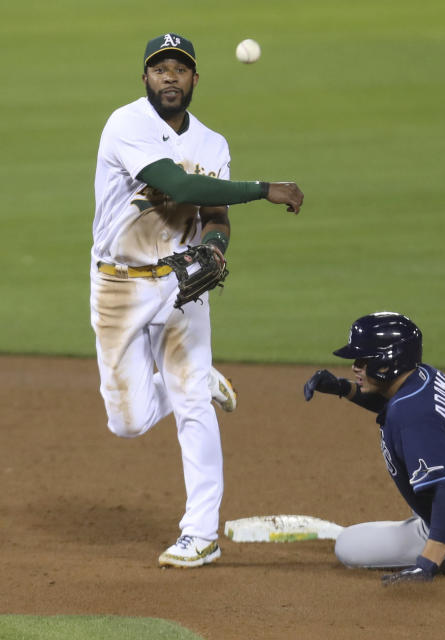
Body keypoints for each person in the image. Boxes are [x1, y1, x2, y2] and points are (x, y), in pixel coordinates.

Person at [90, 33, 304, 568]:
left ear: (194, 80)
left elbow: (214, 215)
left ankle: (200, 532)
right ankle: (201, 379)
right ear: (145, 78)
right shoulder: (126, 124)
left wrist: (214, 249)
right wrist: (263, 188)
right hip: (117, 284)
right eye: (159, 68)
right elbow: (178, 185)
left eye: (179, 69)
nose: (169, 77)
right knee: (129, 421)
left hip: (181, 285)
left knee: (191, 407)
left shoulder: (214, 143)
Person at [303, 312, 445, 585]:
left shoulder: (412, 415)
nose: (355, 367)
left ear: (389, 362)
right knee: (427, 472)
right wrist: (341, 388)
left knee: (347, 546)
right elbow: (392, 402)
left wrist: (426, 565)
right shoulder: (424, 376)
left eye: (364, 360)